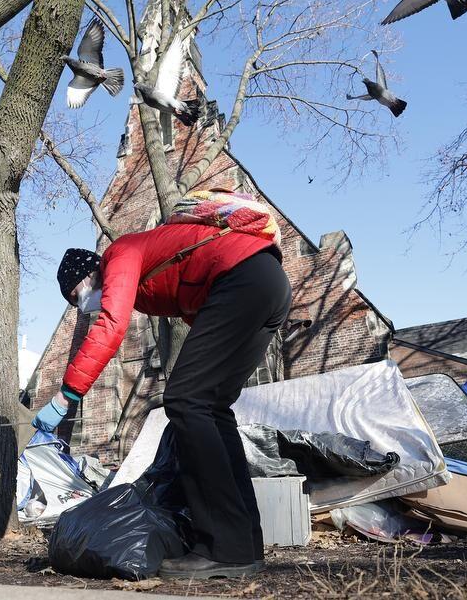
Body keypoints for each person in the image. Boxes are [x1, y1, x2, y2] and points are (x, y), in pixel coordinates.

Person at [35, 221, 291, 579]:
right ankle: (243, 545)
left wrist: (67, 394)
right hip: (263, 284)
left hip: (244, 281)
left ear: (89, 274)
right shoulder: (143, 281)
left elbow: (111, 325)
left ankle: (223, 548)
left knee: (186, 401)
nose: (81, 307)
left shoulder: (120, 255)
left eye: (77, 296)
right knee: (210, 407)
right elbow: (194, 307)